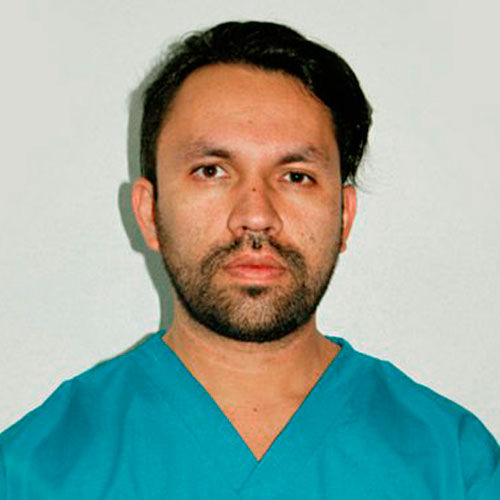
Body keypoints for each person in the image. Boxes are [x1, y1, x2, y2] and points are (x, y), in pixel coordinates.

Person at [1, 20, 498, 499]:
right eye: (212, 171)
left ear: (344, 216)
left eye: (296, 176)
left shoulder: (454, 464)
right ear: (149, 212)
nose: (256, 216)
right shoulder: (32, 473)